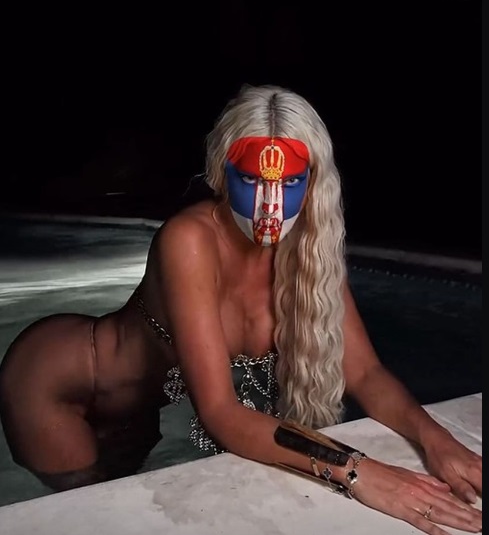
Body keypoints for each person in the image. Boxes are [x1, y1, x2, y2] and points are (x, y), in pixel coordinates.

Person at [0, 84, 482, 534]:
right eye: (252, 178)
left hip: (139, 412)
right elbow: (219, 412)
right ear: (221, 173)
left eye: (290, 181)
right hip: (57, 386)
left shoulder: (310, 251)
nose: (270, 204)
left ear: (313, 181)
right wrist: (359, 472)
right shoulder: (189, 241)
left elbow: (365, 372)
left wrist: (436, 440)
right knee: (92, 519)